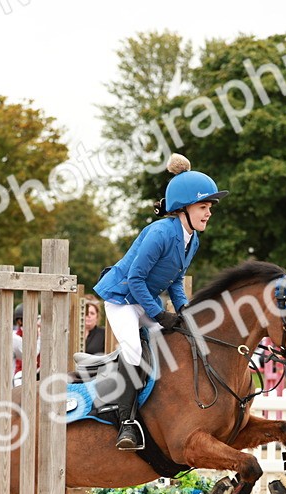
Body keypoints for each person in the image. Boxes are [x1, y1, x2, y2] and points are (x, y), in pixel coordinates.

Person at [93, 153, 227, 450]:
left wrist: (183, 310)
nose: (208, 213)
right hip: (121, 298)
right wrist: (159, 313)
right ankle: (125, 422)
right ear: (184, 208)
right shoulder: (159, 233)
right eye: (204, 207)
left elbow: (176, 280)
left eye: (209, 208)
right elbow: (136, 280)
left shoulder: (193, 239)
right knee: (133, 351)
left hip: (144, 299)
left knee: (168, 346)